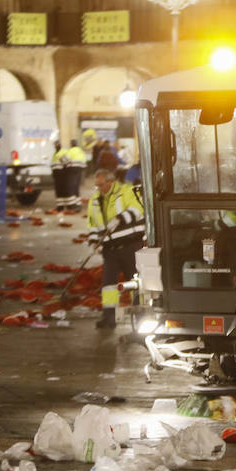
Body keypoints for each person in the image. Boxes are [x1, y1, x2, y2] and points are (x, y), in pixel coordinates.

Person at [87, 168, 145, 329]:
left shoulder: (126, 191)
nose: (99, 188)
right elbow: (92, 224)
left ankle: (140, 316)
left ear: (110, 182)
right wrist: (93, 242)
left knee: (134, 282)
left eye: (101, 184)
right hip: (110, 249)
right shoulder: (94, 200)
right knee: (108, 284)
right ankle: (108, 316)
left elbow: (137, 209)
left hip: (130, 246)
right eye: (96, 185)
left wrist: (120, 219)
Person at [62, 139, 87, 210]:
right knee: (76, 187)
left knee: (71, 187)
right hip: (80, 170)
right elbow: (84, 162)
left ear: (71, 144)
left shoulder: (71, 151)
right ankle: (78, 204)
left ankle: (71, 205)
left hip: (72, 170)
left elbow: (64, 160)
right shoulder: (81, 151)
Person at [51, 141, 70, 211]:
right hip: (56, 175)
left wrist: (64, 174)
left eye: (57, 145)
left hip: (61, 175)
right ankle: (60, 206)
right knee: (58, 191)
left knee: (62, 191)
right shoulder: (55, 153)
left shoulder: (61, 153)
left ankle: (64, 206)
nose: (56, 146)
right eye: (55, 145)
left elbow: (67, 163)